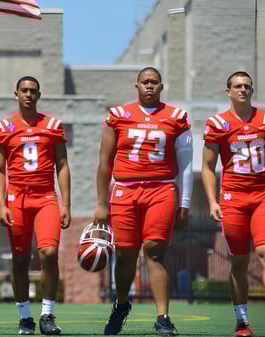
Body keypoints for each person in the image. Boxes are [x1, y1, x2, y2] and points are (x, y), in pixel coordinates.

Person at [92, 67, 193, 336]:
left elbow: (185, 166)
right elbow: (104, 163)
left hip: (161, 190)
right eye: (145, 82)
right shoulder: (119, 115)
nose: (150, 86)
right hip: (125, 190)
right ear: (136, 85)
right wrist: (101, 202)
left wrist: (184, 204)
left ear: (162, 86)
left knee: (155, 251)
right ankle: (122, 304)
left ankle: (163, 317)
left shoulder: (176, 117)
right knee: (125, 254)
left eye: (155, 82)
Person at [201, 71, 265, 336]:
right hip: (233, 198)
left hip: (263, 195)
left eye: (247, 86)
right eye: (237, 86)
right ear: (227, 91)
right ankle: (242, 322)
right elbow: (207, 167)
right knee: (238, 261)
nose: (243, 89)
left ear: (252, 90)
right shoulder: (218, 123)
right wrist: (211, 200)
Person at [0, 76, 71, 336]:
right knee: (20, 260)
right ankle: (25, 317)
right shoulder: (4, 126)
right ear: (16, 94)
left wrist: (67, 203)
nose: (28, 95)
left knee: (49, 253)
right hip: (17, 198)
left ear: (39, 95)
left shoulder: (53, 125)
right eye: (24, 90)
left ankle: (47, 314)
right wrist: (0, 203)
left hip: (46, 196)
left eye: (33, 91)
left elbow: (62, 165)